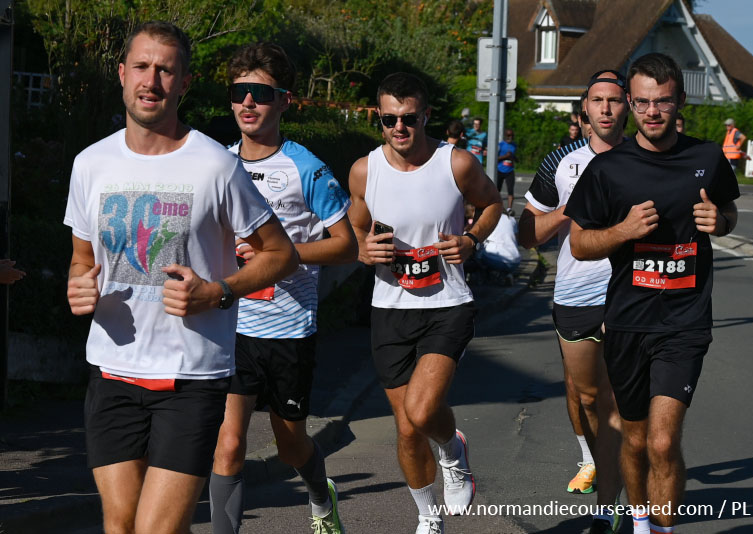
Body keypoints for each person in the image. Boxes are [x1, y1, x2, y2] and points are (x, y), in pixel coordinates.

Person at [63, 22, 299, 534]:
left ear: (184, 83)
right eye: (142, 67)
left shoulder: (215, 166)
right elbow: (81, 259)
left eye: (165, 70)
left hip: (191, 377)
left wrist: (217, 292)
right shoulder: (90, 164)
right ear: (122, 74)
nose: (152, 81)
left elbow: (281, 254)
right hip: (112, 372)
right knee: (120, 526)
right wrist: (78, 286)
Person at [565, 53, 739, 534]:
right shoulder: (608, 169)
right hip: (627, 321)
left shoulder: (707, 158)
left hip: (684, 321)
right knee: (636, 440)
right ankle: (639, 521)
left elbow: (728, 212)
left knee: (662, 442)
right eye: (641, 102)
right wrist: (623, 230)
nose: (651, 112)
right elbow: (579, 244)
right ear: (629, 102)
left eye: (662, 102)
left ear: (679, 100)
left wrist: (721, 222)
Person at [208, 43, 356, 534]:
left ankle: (320, 495)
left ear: (285, 101)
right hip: (233, 325)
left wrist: (282, 255)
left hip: (288, 330)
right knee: (229, 443)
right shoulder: (218, 163)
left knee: (291, 445)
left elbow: (346, 246)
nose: (248, 102)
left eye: (261, 93)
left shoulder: (305, 168)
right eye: (239, 92)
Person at [348, 72, 502, 534]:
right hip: (389, 308)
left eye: (409, 118)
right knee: (406, 428)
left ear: (426, 116)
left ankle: (452, 450)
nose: (399, 127)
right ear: (379, 117)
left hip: (447, 304)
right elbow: (355, 225)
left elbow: (492, 204)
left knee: (421, 410)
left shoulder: (455, 163)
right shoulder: (365, 170)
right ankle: (427, 515)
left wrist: (472, 239)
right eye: (389, 119)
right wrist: (363, 249)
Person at [519, 69, 627, 534]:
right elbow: (527, 235)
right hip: (575, 293)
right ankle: (595, 460)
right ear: (585, 109)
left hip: (631, 293)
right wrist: (570, 208)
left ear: (628, 106)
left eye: (614, 99)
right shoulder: (562, 162)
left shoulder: (645, 158)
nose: (605, 108)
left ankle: (610, 504)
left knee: (617, 400)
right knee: (584, 396)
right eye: (597, 100)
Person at [497, 129, 518, 215]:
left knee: (510, 190)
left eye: (512, 136)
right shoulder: (500, 145)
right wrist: (505, 156)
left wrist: (513, 157)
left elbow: (516, 158)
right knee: (497, 190)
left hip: (510, 170)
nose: (510, 137)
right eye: (509, 135)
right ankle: (497, 207)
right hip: (500, 170)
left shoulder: (514, 145)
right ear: (505, 136)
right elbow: (495, 158)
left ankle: (509, 209)